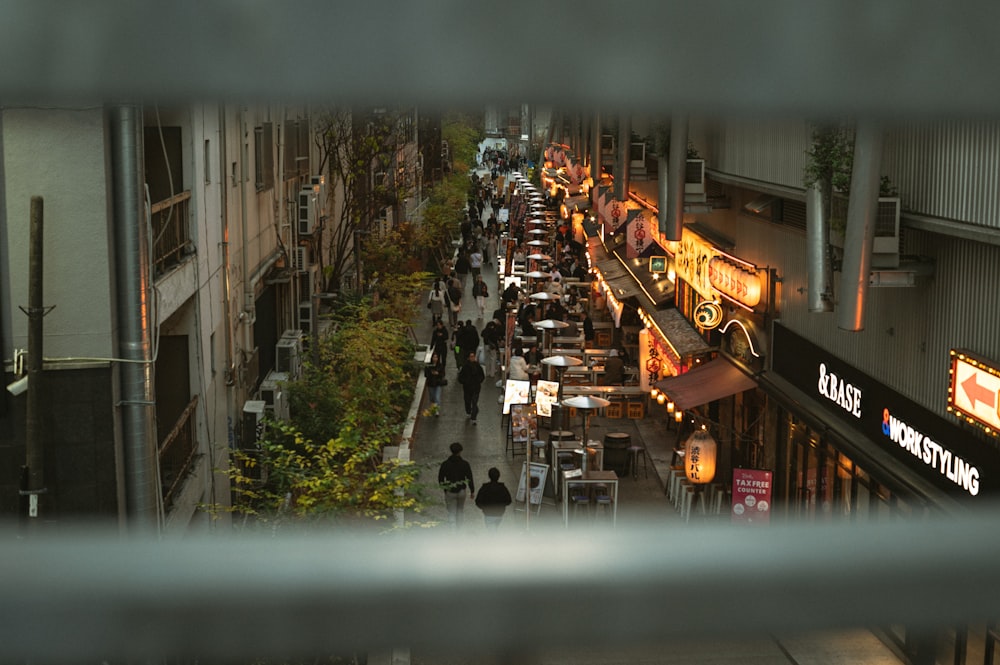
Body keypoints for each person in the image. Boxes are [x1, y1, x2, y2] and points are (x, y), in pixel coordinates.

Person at [438, 442, 474, 529]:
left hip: (450, 491)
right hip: (461, 491)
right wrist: (472, 490)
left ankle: (452, 529)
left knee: (451, 512)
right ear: (460, 451)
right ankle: (459, 529)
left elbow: (440, 478)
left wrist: (445, 489)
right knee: (460, 510)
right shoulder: (465, 464)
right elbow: (469, 478)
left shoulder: (445, 464)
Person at [457, 350, 486, 424]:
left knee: (474, 402)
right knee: (467, 401)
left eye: (473, 356)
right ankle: (469, 411)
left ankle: (474, 417)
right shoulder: (465, 367)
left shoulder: (478, 366)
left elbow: (482, 376)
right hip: (467, 388)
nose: (472, 358)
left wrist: (479, 381)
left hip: (476, 388)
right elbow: (460, 377)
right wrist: (465, 381)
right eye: (471, 357)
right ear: (468, 358)